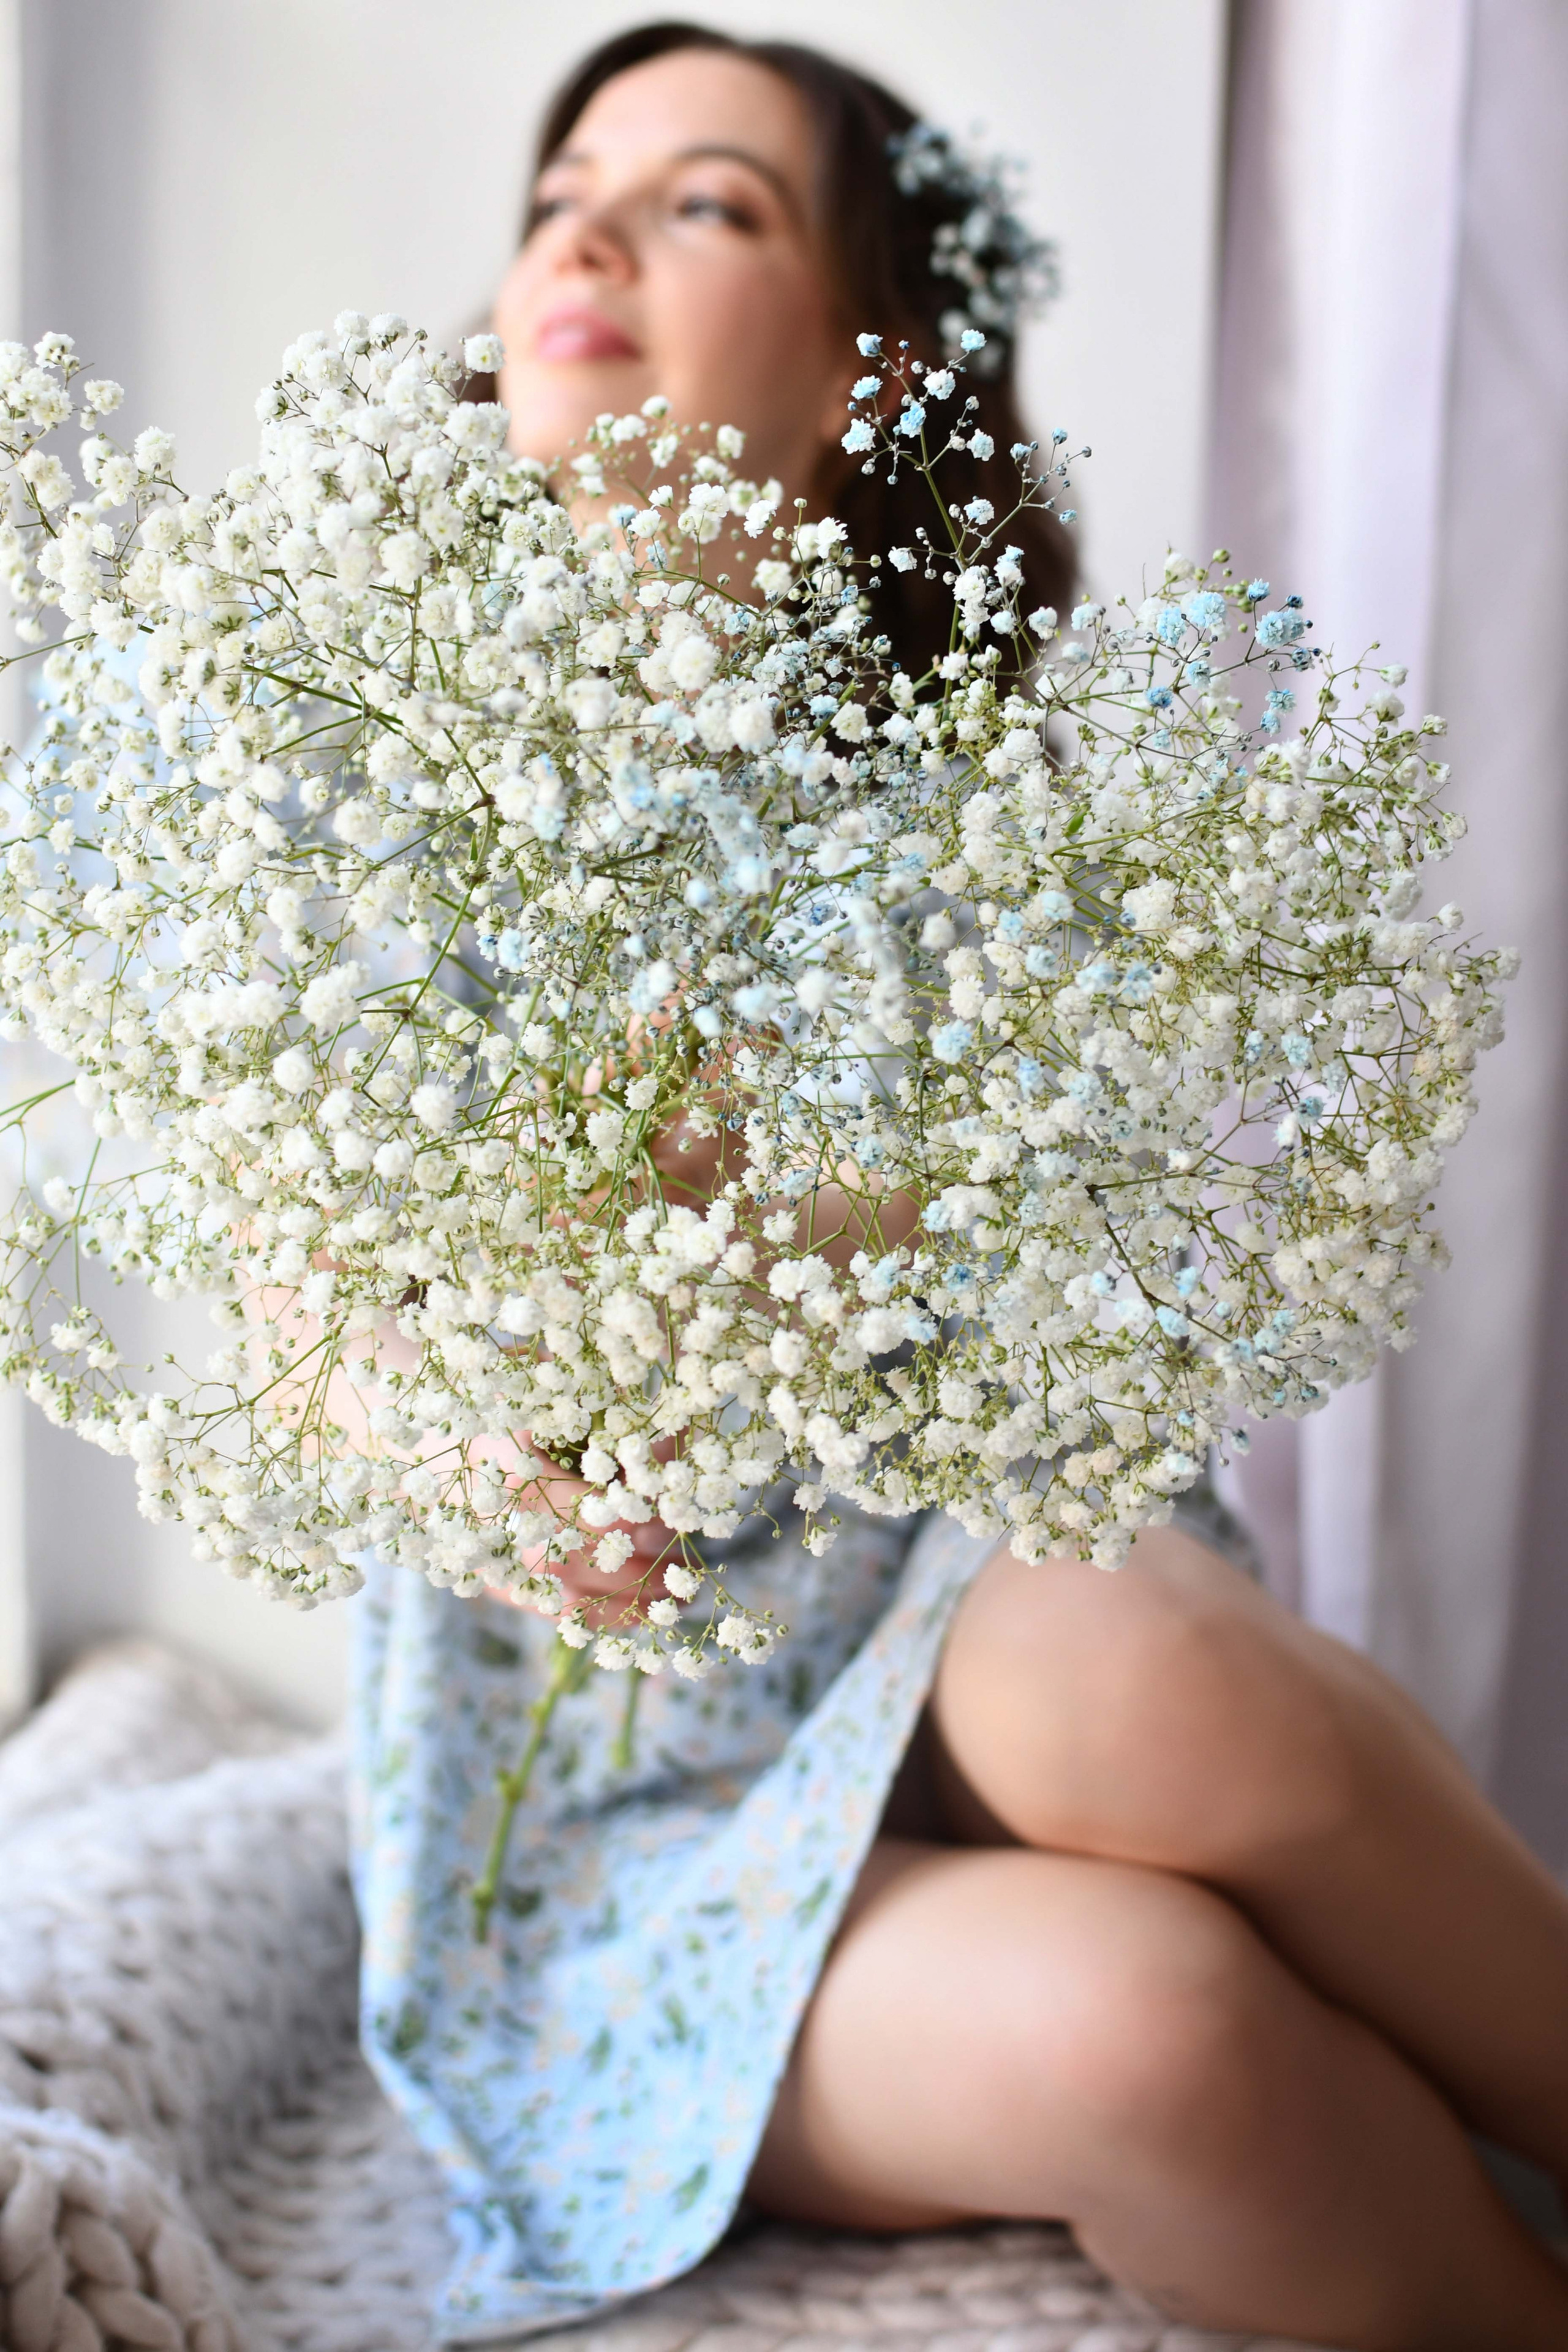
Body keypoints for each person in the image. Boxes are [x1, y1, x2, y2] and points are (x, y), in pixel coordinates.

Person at [351, 24, 1568, 2350]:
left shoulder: (981, 841)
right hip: (636, 1865)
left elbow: (1026, 1321)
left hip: (1010, 1689)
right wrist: (464, 1442)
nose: (582, 235)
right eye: (560, 191)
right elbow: (315, 1311)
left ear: (870, 370)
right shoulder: (388, 781)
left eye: (710, 203)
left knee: (1125, 1669)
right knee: (1160, 2034)